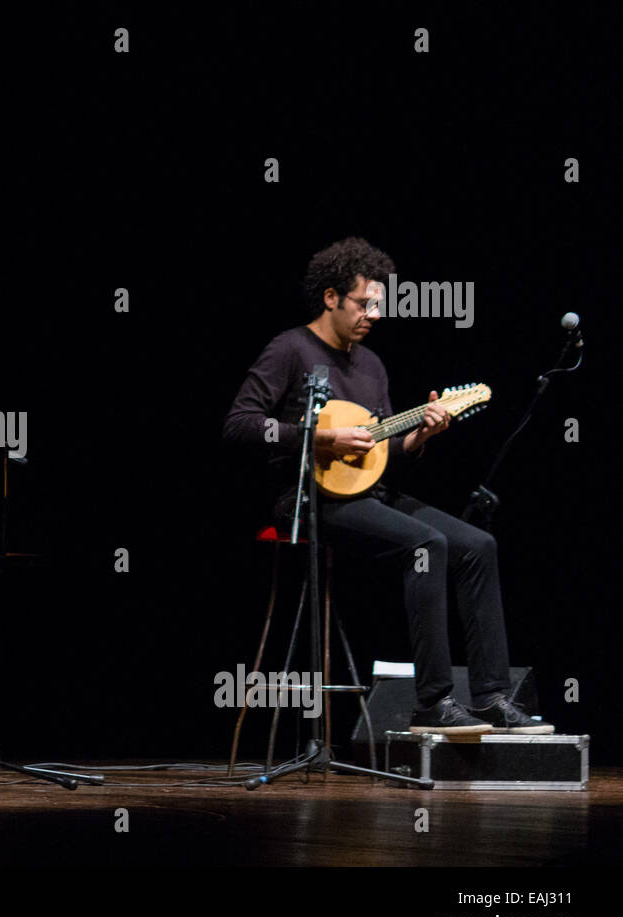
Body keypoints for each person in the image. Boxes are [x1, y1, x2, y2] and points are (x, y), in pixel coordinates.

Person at [222, 237, 551, 736]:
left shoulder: (371, 364)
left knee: (478, 544)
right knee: (428, 541)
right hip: (308, 501)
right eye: (362, 303)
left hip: (365, 496)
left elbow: (376, 458)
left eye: (379, 305)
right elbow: (240, 425)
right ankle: (433, 702)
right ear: (331, 297)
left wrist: (418, 435)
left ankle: (489, 696)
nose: (372, 314)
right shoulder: (290, 348)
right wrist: (319, 439)